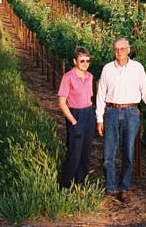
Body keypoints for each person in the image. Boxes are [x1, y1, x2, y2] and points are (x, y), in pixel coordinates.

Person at [95, 37, 146, 203]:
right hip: (111, 111)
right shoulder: (107, 69)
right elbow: (100, 95)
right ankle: (110, 187)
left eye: (122, 49)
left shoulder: (137, 68)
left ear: (128, 50)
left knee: (128, 153)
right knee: (108, 153)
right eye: (116, 49)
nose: (119, 52)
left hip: (131, 113)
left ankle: (124, 188)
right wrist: (99, 118)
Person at [58, 46, 96, 188]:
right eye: (82, 61)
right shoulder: (68, 77)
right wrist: (73, 121)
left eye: (87, 61)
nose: (85, 63)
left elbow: (89, 98)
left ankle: (80, 184)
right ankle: (65, 186)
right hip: (75, 115)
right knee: (74, 154)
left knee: (85, 154)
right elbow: (62, 103)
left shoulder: (90, 77)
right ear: (75, 61)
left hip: (88, 114)